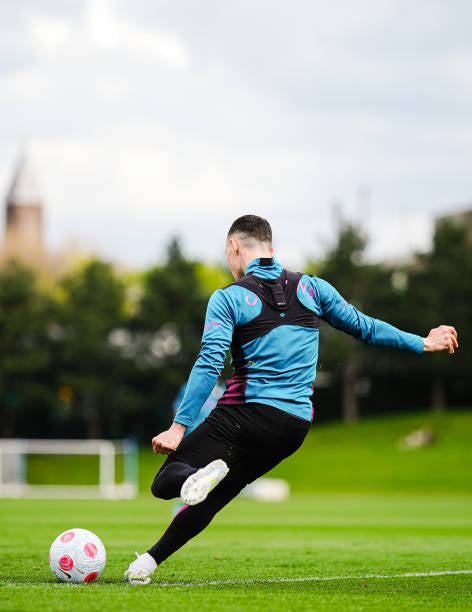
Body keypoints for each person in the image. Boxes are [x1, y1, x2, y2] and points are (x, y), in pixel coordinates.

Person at [125, 214, 458, 584]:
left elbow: (209, 361)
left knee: (167, 480)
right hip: (293, 427)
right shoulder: (314, 289)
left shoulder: (228, 298)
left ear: (235, 247)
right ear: (270, 246)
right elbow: (365, 327)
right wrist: (423, 341)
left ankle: (193, 478)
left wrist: (177, 427)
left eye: (227, 253)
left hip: (245, 415)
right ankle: (148, 563)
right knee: (215, 494)